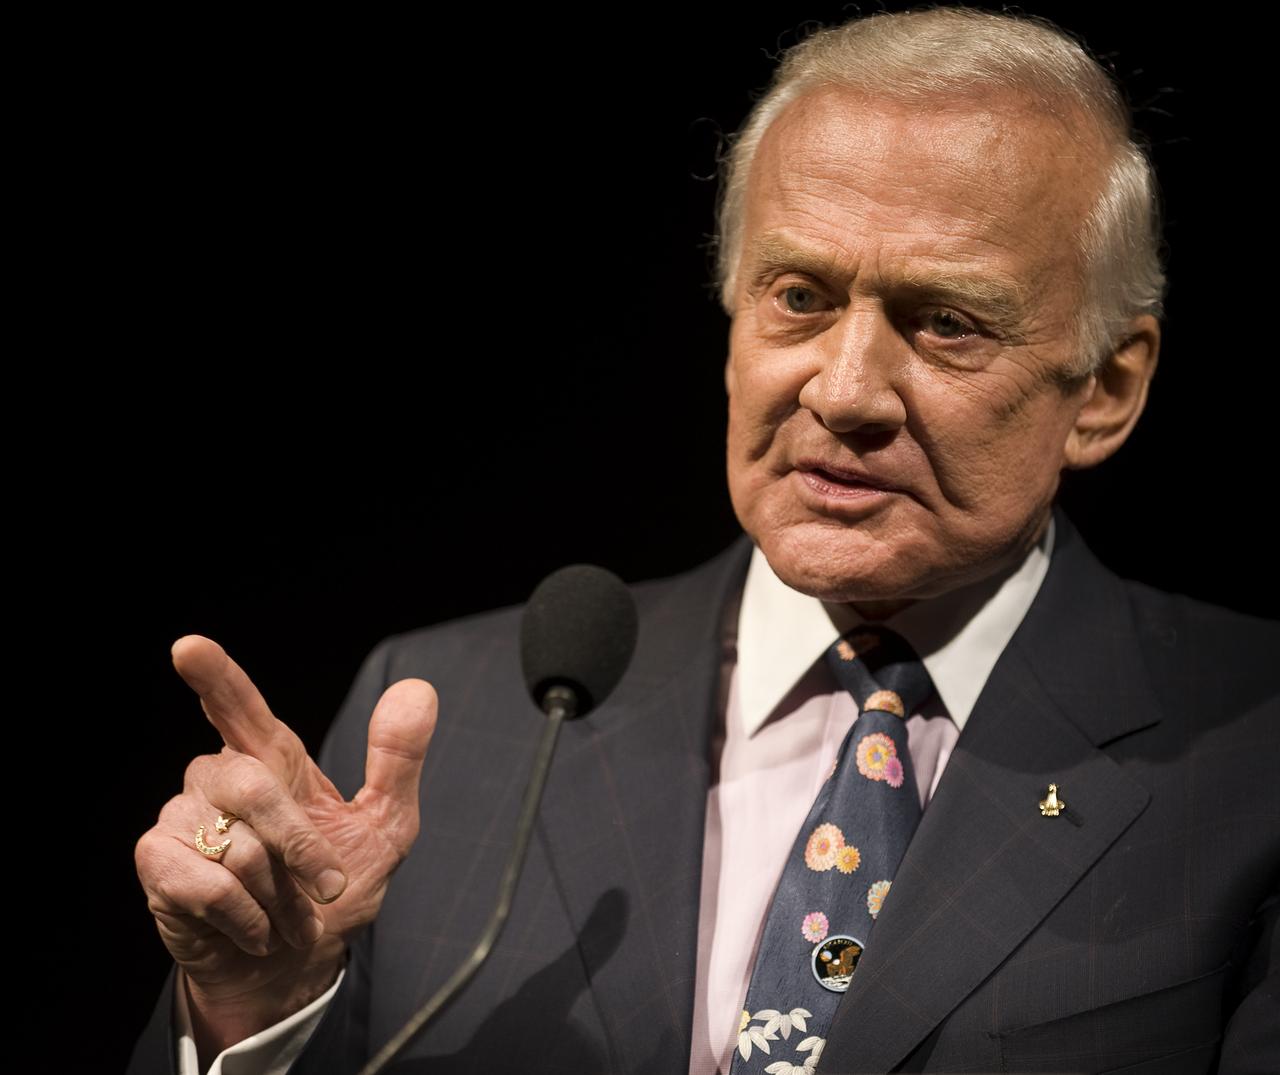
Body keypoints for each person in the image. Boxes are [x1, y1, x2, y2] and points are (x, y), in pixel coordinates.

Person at [129, 7, 1278, 1074]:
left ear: (1104, 390)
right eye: (798, 297)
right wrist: (258, 1004)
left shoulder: (1249, 748)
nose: (843, 390)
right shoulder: (453, 716)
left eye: (944, 321)